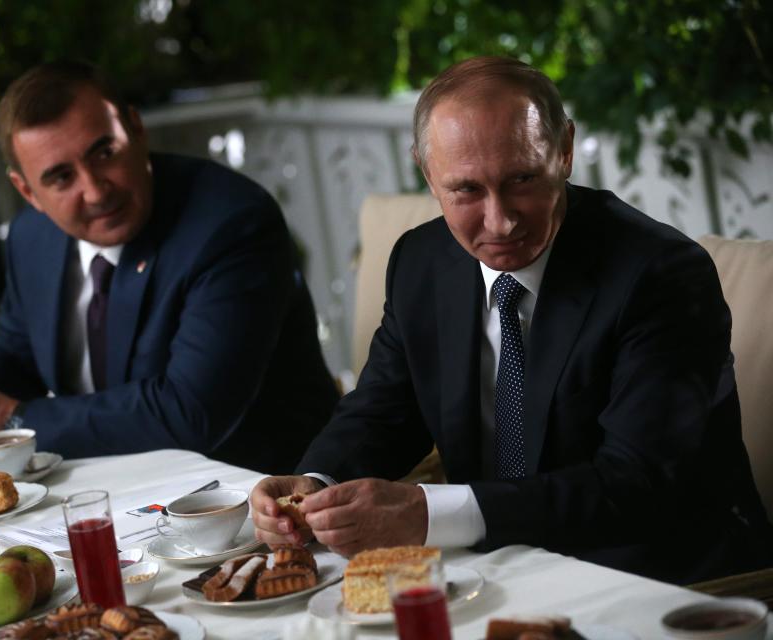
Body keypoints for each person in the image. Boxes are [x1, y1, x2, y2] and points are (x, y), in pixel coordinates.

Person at [251, 56, 772, 583]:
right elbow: (384, 411)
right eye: (467, 190)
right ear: (427, 173)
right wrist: (313, 483)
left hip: (665, 575)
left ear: (564, 151)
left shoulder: (660, 275)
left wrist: (429, 514)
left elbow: (635, 485)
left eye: (522, 178)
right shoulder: (420, 261)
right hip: (495, 566)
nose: (500, 221)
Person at [0, 60, 339, 474]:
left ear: (136, 129)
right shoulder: (32, 236)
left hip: (259, 492)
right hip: (112, 484)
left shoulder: (230, 223)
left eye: (104, 152)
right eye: (60, 177)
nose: (94, 191)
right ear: (28, 192)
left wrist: (8, 417)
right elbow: (16, 345)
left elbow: (190, 412)